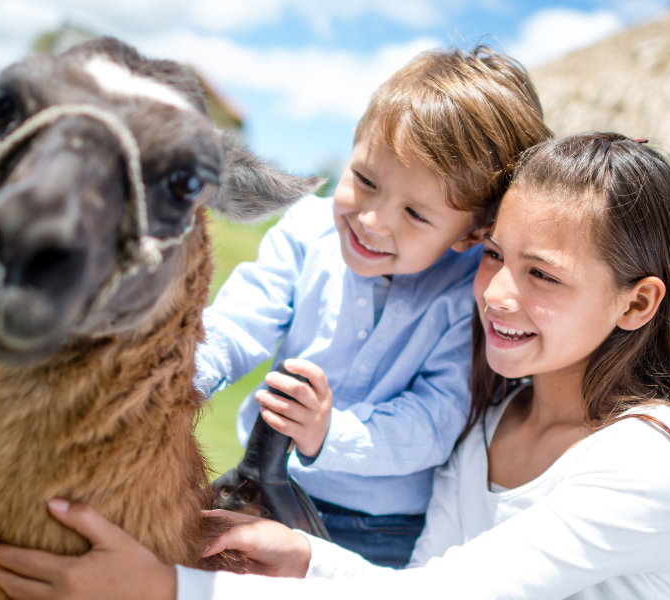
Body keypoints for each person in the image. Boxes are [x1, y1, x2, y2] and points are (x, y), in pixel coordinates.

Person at [0, 133, 670, 599]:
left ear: (637, 304)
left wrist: (170, 589)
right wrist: (303, 558)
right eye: (493, 256)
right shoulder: (491, 420)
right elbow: (425, 581)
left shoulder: (647, 466)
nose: (497, 293)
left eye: (543, 275)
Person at [191, 46, 551, 566]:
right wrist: (192, 375)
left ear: (471, 235)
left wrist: (330, 434)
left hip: (378, 529)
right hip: (264, 481)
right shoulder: (305, 231)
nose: (374, 221)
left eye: (415, 214)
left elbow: (436, 417)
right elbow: (243, 318)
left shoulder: (465, 294)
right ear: (353, 145)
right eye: (365, 181)